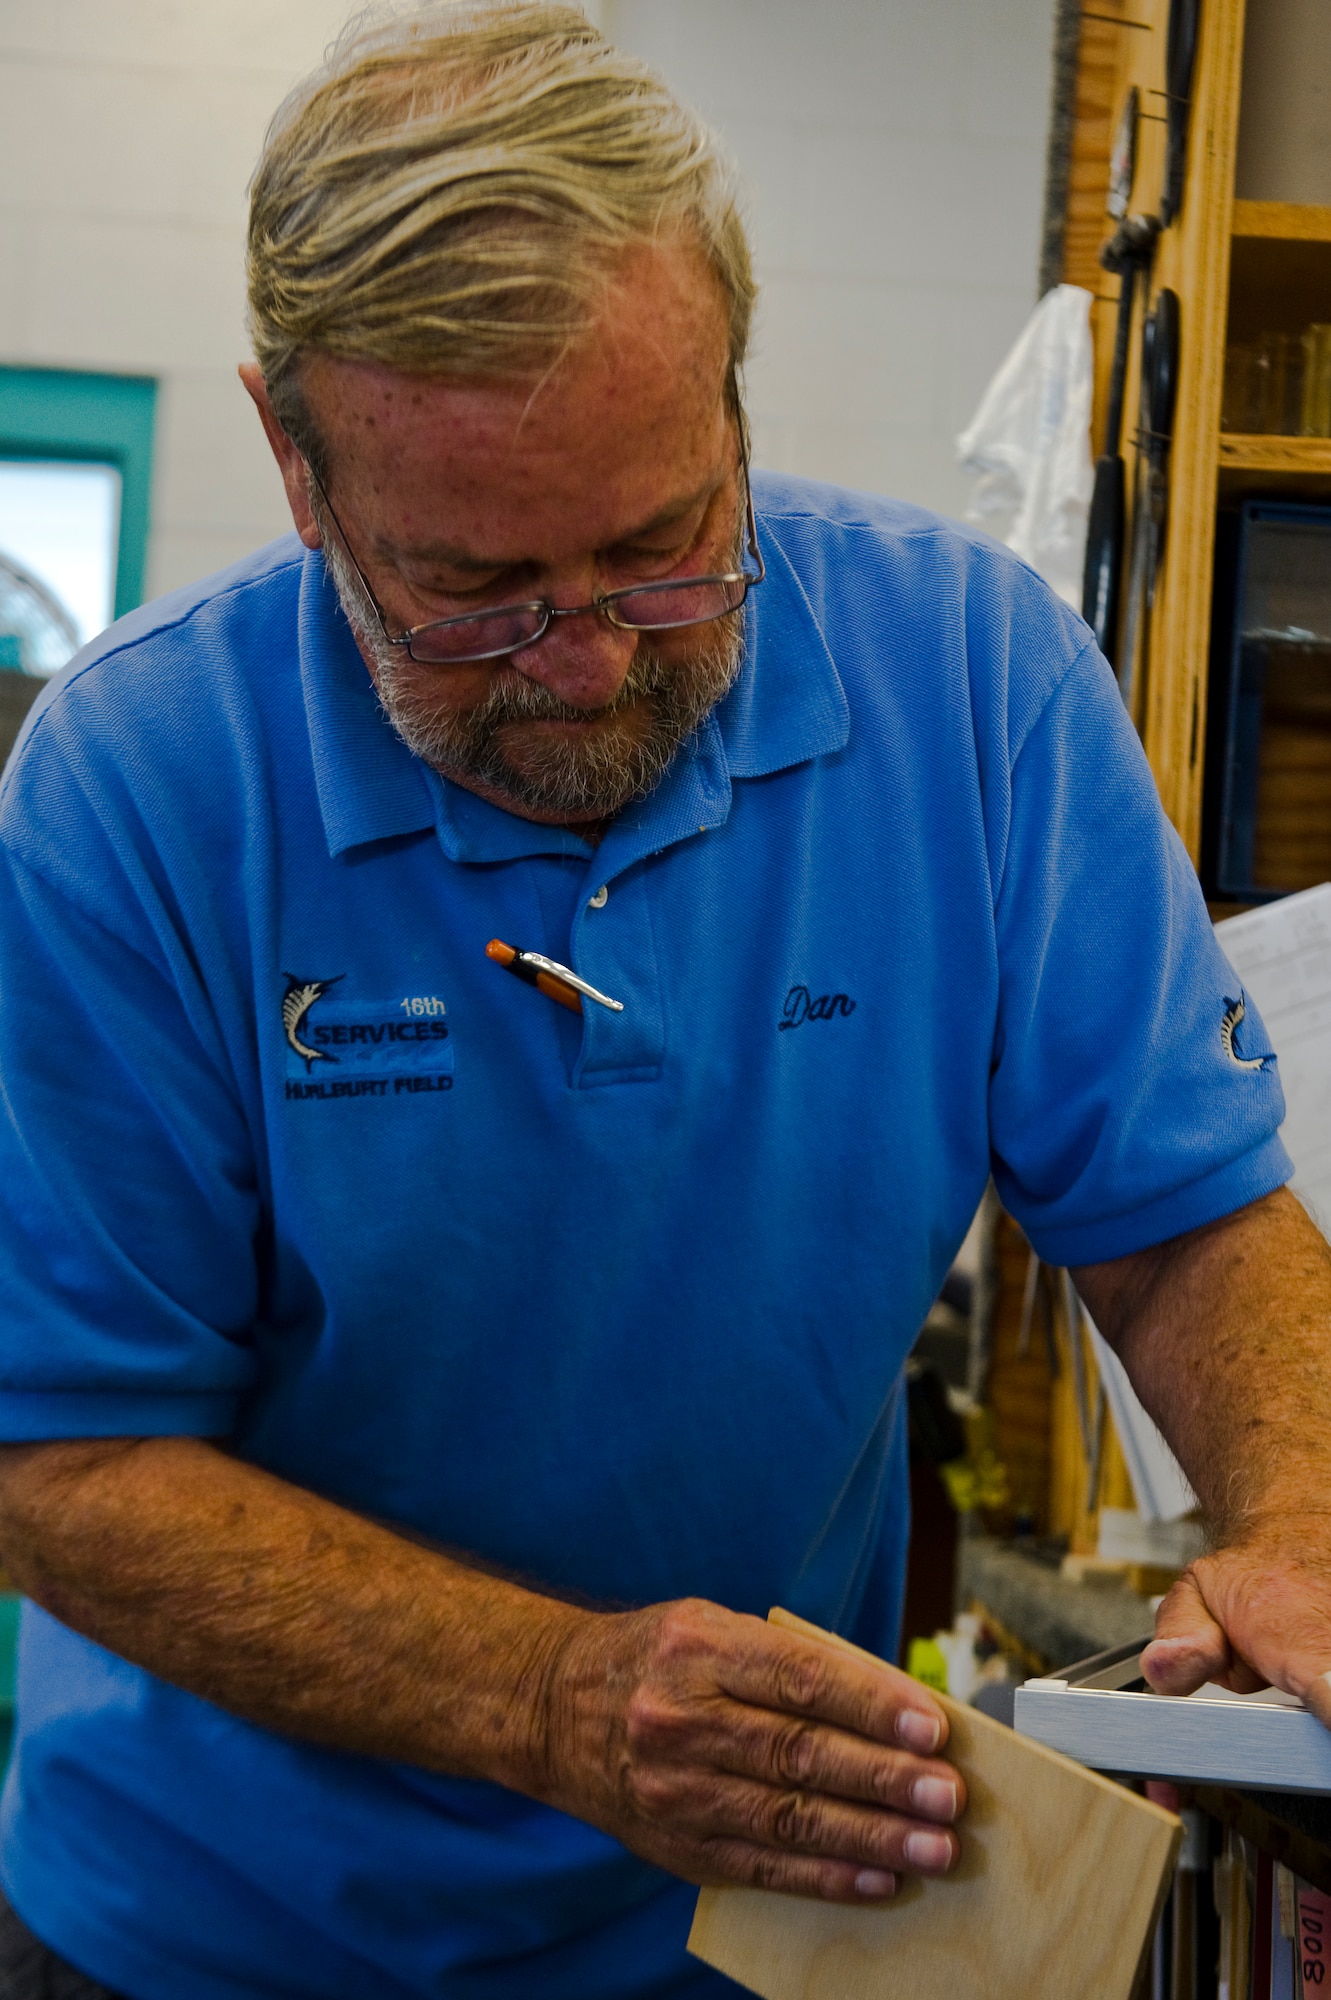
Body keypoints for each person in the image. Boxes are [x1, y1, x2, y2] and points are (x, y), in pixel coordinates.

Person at [0, 5, 1327, 1997]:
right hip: (217, 1938)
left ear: (730, 384)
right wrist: (552, 1698)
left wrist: (1298, 1508)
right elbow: (61, 1460)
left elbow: (1185, 1217)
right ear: (295, 458)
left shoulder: (970, 682)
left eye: (661, 549)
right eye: (475, 591)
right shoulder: (136, 792)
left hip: (764, 1936)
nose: (588, 662)